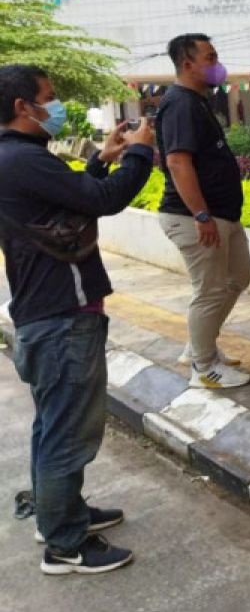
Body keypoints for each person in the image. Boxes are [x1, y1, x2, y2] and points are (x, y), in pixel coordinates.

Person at [0, 64, 155, 575]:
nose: (57, 102)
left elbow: (65, 206)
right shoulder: (22, 160)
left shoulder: (17, 159)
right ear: (24, 107)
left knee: (53, 426)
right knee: (67, 433)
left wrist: (100, 159)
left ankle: (60, 515)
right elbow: (103, 203)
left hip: (45, 312)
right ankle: (65, 546)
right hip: (61, 316)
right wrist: (140, 152)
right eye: (49, 96)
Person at [156, 33, 250, 390]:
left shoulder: (196, 102)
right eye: (210, 58)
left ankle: (201, 343)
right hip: (194, 217)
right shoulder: (180, 103)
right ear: (187, 64)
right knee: (209, 290)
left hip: (222, 215)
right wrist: (201, 215)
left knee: (239, 275)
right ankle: (203, 367)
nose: (217, 64)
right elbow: (178, 162)